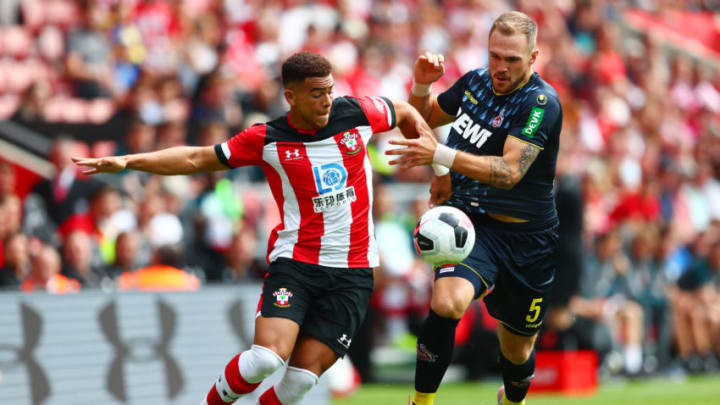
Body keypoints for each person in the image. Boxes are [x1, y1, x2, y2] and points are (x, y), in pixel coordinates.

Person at [73, 51, 435, 405]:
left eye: (329, 90)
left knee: (297, 384)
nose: (327, 101)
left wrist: (434, 157)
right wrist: (127, 161)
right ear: (290, 96)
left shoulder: (357, 113)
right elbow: (195, 157)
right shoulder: (268, 138)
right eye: (316, 93)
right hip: (298, 263)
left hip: (354, 271)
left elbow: (403, 110)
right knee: (266, 358)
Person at [386, 12, 563, 405]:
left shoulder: (541, 104)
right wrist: (420, 85)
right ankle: (420, 401)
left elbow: (509, 172)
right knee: (446, 303)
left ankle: (511, 399)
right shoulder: (475, 83)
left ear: (533, 57)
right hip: (470, 223)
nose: (500, 67)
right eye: (495, 55)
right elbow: (419, 123)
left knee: (517, 353)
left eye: (512, 60)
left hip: (527, 239)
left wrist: (443, 157)